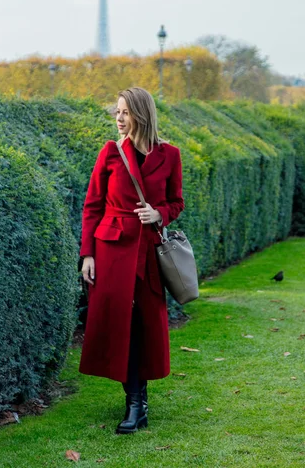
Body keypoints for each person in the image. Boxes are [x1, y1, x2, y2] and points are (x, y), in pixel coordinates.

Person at [79, 87, 184, 434]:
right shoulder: (110, 153)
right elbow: (93, 205)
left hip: (149, 253)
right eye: (117, 112)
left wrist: (159, 213)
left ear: (141, 114)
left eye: (125, 112)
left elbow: (177, 202)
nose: (119, 119)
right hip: (111, 252)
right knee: (119, 325)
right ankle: (135, 403)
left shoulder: (170, 155)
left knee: (143, 325)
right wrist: (87, 255)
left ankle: (138, 403)